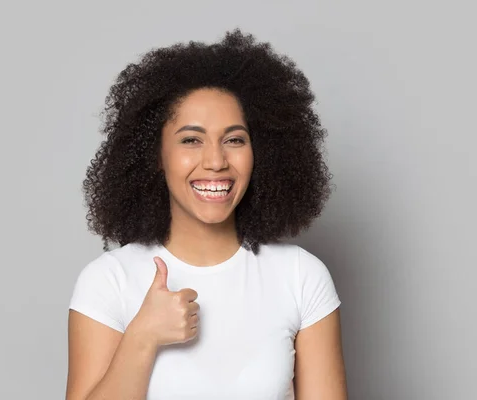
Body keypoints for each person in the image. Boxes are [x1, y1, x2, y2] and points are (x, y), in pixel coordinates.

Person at [66, 28, 347, 400]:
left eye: (234, 139)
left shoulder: (301, 277)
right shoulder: (108, 281)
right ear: (155, 156)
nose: (216, 161)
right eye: (190, 140)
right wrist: (142, 337)